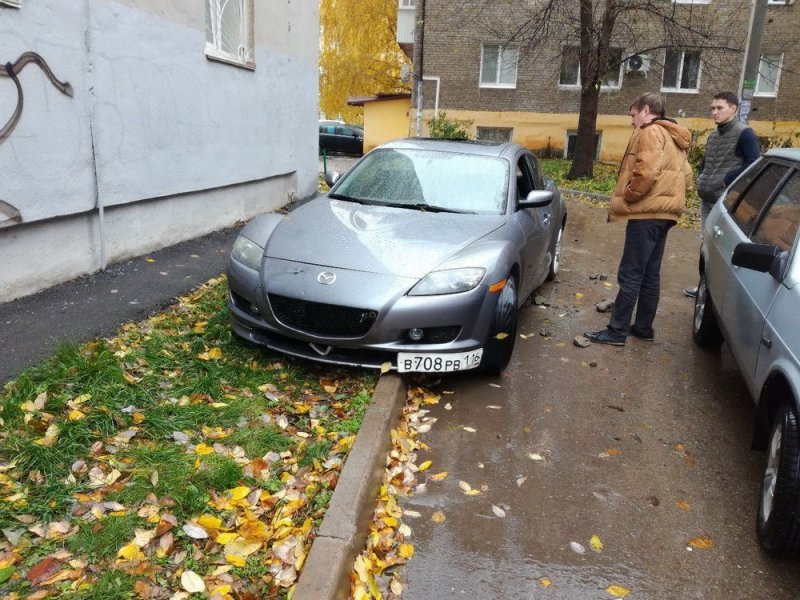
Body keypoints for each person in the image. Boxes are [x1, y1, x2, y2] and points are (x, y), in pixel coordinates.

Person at [584, 92, 693, 346]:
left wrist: (631, 195)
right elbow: (687, 178)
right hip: (665, 213)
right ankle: (643, 328)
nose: (631, 121)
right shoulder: (674, 134)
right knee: (650, 274)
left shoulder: (651, 131)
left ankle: (617, 331)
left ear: (645, 110)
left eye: (632, 115)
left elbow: (646, 170)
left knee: (631, 273)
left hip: (646, 213)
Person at [683, 91, 760, 297]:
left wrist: (726, 180)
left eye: (719, 108)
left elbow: (753, 164)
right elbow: (706, 163)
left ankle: (720, 295)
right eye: (712, 108)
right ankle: (703, 288)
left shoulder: (745, 133)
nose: (714, 112)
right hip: (707, 199)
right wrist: (702, 178)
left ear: (733, 109)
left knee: (725, 250)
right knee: (706, 245)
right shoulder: (714, 135)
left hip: (726, 204)